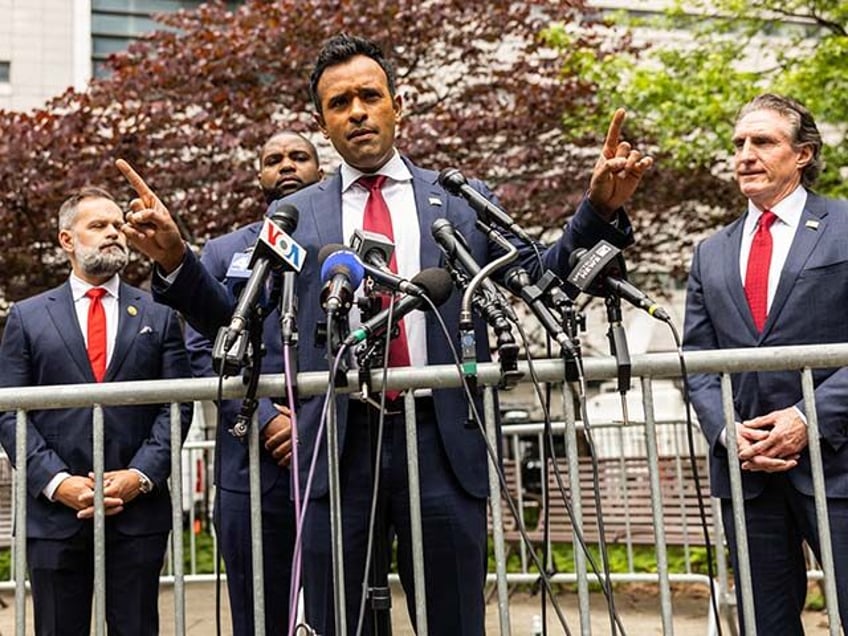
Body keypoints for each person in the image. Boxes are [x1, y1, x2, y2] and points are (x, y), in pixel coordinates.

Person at [118, 33, 652, 635]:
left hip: (443, 441)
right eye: (339, 103)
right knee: (337, 620)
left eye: (369, 96)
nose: (357, 112)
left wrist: (598, 211)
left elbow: (541, 277)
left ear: (399, 104)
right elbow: (239, 318)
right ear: (322, 122)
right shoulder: (293, 217)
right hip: (336, 445)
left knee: (453, 620)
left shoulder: (458, 201)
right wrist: (174, 261)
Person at [683, 93, 848, 634]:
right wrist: (726, 432)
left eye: (763, 142)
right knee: (765, 623)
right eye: (739, 144)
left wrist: (808, 418)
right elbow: (699, 360)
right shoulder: (710, 252)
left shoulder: (844, 226)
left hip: (838, 463)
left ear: (802, 154)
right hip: (748, 474)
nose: (746, 155)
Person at [0, 187, 193, 635]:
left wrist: (140, 475)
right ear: (67, 240)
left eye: (116, 224)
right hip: (53, 516)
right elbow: (9, 411)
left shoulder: (159, 314)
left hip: (136, 513)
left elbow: (178, 404)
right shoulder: (26, 317)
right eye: (98, 225)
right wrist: (57, 482)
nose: (114, 233)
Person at [183, 131, 323, 636]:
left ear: (319, 169)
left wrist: (312, 420)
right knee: (257, 614)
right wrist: (265, 418)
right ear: (259, 175)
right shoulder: (222, 252)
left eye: (298, 156)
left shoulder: (341, 243)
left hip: (336, 454)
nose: (286, 165)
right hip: (251, 468)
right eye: (274, 159)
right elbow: (203, 349)